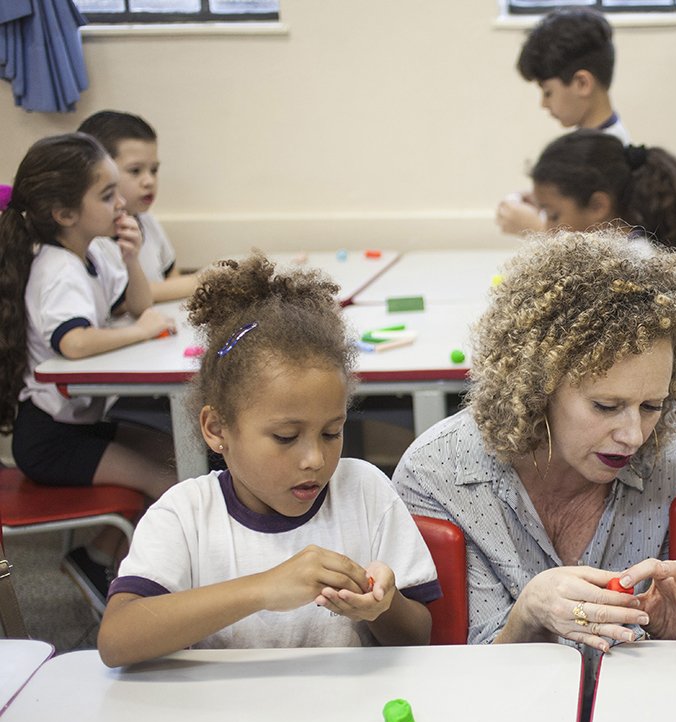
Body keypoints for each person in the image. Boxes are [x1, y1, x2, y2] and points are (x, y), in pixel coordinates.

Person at [97, 254, 439, 667]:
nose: (315, 458)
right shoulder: (186, 514)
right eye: (285, 437)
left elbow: (419, 636)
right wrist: (264, 588)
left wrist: (383, 607)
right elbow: (117, 640)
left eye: (332, 432)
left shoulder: (364, 491)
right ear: (217, 429)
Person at [393, 229, 676, 652]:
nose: (633, 436)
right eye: (605, 406)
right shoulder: (438, 476)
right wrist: (529, 613)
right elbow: (446, 668)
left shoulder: (671, 474)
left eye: (651, 406)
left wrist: (672, 635)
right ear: (537, 388)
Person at [0, 133, 177, 604]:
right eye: (106, 195)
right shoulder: (56, 269)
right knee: (171, 483)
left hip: (82, 423)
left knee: (182, 458)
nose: (121, 202)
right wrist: (141, 333)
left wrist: (133, 257)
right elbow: (74, 343)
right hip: (52, 439)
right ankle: (117, 576)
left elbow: (137, 304)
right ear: (64, 215)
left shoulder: (94, 250)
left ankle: (100, 556)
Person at [497, 8, 628, 236]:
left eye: (548, 92)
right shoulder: (587, 148)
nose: (543, 104)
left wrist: (536, 228)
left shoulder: (612, 157)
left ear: (582, 83)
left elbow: (607, 256)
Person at [526, 130, 676, 273]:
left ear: (598, 206)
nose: (547, 230)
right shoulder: (612, 259)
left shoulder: (636, 266)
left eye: (553, 215)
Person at [77, 111, 200, 302]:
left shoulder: (147, 221)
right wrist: (201, 281)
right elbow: (124, 300)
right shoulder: (92, 241)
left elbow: (171, 277)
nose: (149, 181)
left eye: (154, 170)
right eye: (135, 171)